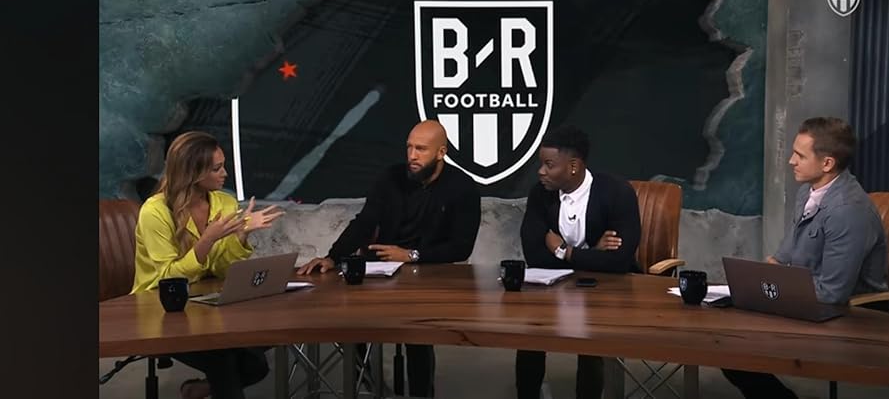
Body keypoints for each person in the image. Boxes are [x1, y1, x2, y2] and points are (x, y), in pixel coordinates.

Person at [297, 119, 481, 398]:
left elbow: (461, 247)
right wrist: (333, 257)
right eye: (409, 147)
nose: (412, 156)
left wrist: (411, 256)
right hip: (380, 269)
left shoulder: (463, 187)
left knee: (417, 334)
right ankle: (368, 386)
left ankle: (420, 393)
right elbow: (365, 221)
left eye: (421, 149)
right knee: (350, 322)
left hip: (428, 273)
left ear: (441, 153)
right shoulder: (391, 177)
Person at [722, 117, 888, 398]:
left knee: (737, 346)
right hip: (808, 300)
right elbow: (784, 256)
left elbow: (833, 293)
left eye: (800, 155)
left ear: (827, 163)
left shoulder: (848, 211)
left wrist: (776, 291)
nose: (791, 161)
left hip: (850, 314)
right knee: (727, 336)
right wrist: (761, 280)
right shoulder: (807, 193)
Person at [130, 131, 285, 399]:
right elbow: (168, 279)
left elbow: (221, 270)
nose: (225, 173)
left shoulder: (224, 202)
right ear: (192, 172)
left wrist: (240, 235)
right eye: (216, 168)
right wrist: (207, 240)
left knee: (255, 362)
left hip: (201, 306)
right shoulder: (155, 211)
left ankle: (202, 389)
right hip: (159, 309)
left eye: (223, 165)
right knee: (222, 356)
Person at [515, 124, 642, 399]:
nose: (541, 171)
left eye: (549, 165)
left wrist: (565, 251)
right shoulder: (540, 194)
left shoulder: (617, 193)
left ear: (573, 166)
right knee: (530, 334)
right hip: (554, 289)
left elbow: (620, 261)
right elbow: (534, 255)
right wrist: (594, 254)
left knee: (589, 339)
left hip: (607, 291)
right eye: (541, 164)